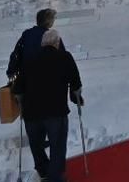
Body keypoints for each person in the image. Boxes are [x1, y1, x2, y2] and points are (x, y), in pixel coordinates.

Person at [17, 28, 83, 182]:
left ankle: (43, 171)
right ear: (57, 43)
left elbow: (18, 88)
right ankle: (55, 177)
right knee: (57, 145)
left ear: (42, 44)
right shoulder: (64, 57)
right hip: (56, 112)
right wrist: (76, 98)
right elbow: (76, 83)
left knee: (36, 145)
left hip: (31, 113)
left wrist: (21, 105)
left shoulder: (29, 60)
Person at [7, 7, 59, 83]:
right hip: (46, 77)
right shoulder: (51, 35)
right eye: (53, 18)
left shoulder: (27, 33)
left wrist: (11, 72)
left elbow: (16, 54)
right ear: (49, 21)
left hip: (27, 76)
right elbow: (62, 56)